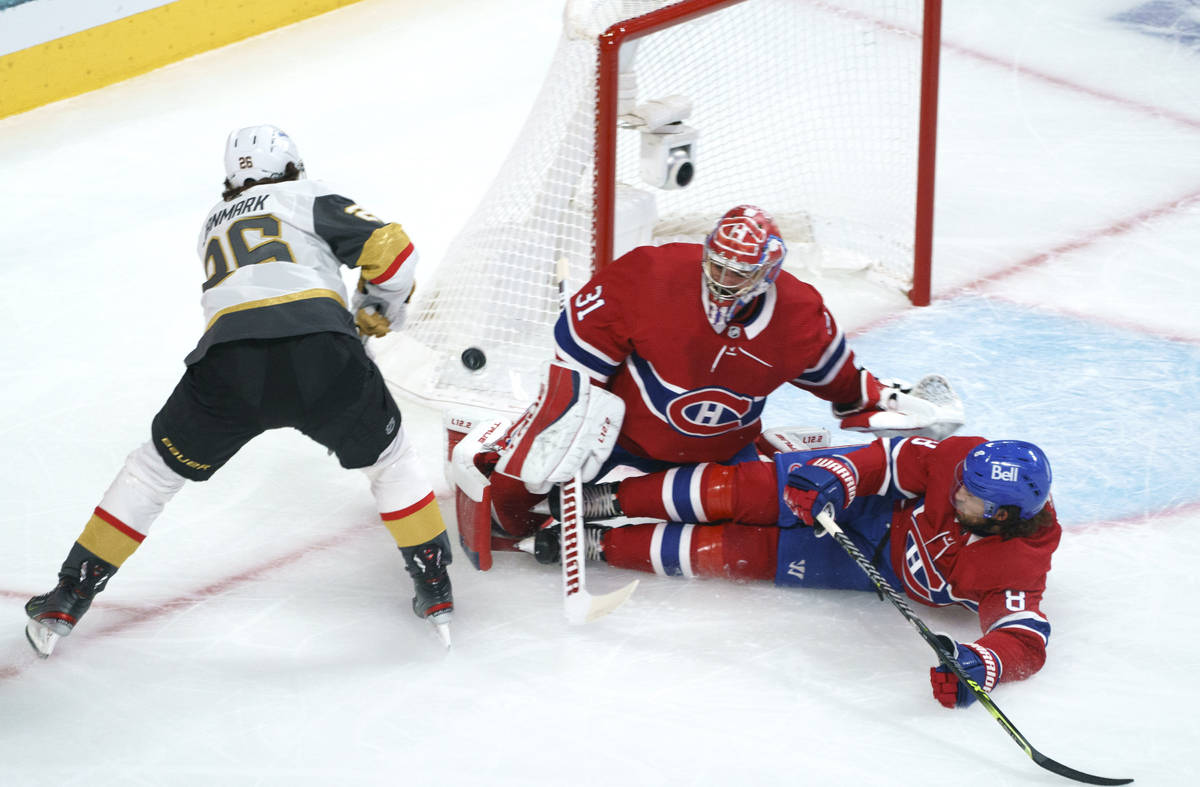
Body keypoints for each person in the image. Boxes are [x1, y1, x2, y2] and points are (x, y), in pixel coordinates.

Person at [24, 125, 454, 656]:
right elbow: (394, 250)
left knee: (152, 472)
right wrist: (376, 305)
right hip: (322, 353)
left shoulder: (211, 222)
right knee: (391, 461)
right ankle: (435, 587)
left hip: (229, 365)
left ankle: (69, 595)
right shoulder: (307, 193)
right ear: (293, 165)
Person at [474, 204, 962, 547]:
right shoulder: (649, 275)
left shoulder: (798, 315)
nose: (723, 280)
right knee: (542, 459)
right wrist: (568, 427)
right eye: (718, 265)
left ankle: (610, 519)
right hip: (621, 437)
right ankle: (507, 491)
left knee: (769, 527)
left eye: (738, 274)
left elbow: (845, 386)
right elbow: (573, 358)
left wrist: (892, 402)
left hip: (723, 451)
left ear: (768, 273)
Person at [524, 434, 1060, 709]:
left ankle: (598, 544)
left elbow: (1022, 639)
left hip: (870, 566)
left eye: (973, 497)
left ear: (1004, 517)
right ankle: (605, 498)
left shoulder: (1015, 566)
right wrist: (837, 476)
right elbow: (885, 461)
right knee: (740, 491)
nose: (959, 490)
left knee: (735, 553)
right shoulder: (960, 462)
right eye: (964, 482)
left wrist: (980, 665)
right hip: (870, 506)